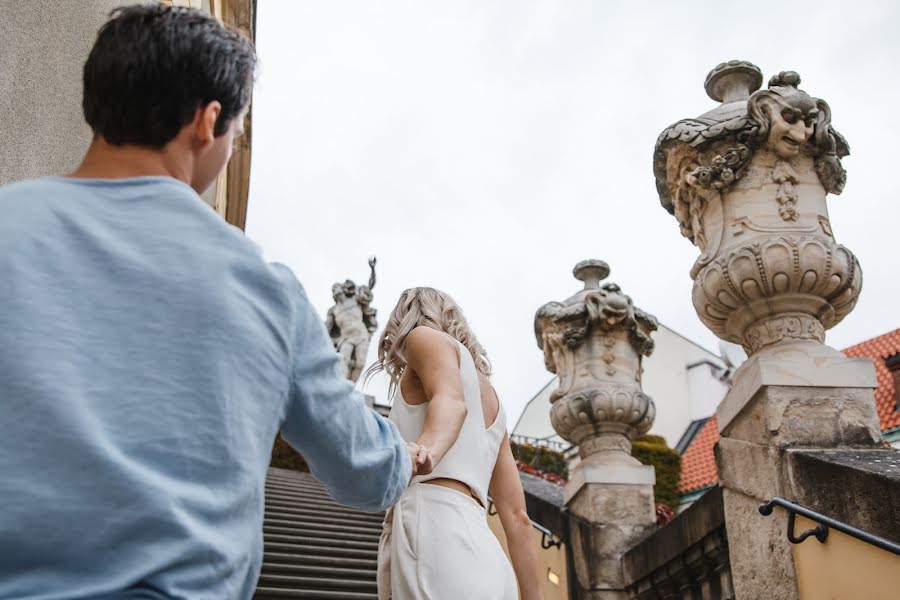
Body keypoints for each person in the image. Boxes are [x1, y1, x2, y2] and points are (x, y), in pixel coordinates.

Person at [0, 5, 417, 599]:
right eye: (237, 131)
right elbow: (362, 467)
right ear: (207, 121)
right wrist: (406, 454)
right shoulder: (264, 289)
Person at [371, 288, 545, 600]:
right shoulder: (492, 398)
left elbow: (451, 402)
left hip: (436, 531)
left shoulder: (421, 336)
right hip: (488, 554)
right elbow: (518, 517)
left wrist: (426, 451)